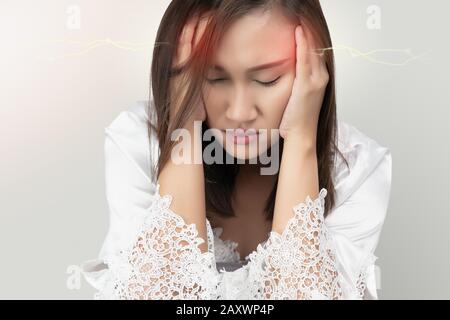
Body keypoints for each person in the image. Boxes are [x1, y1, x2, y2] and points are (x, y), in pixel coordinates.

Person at [80, 0, 392, 299]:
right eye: (215, 78)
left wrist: (302, 141)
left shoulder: (356, 168)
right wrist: (184, 125)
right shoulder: (138, 141)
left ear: (312, 72)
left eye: (267, 80)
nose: (240, 112)